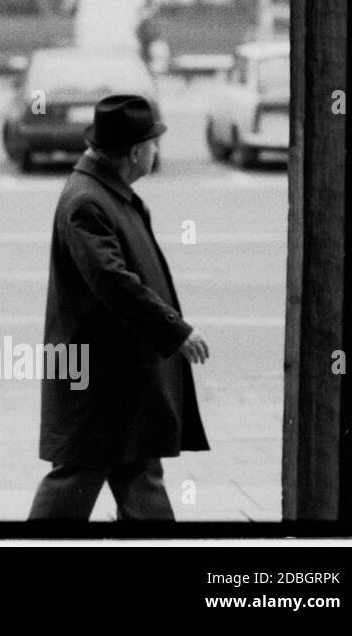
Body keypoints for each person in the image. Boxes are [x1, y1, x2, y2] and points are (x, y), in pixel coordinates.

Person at [29, 95, 210, 520]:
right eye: (153, 144)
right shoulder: (88, 202)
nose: (157, 152)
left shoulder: (108, 194)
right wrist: (176, 330)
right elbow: (112, 282)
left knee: (136, 474)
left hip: (121, 377)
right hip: (99, 380)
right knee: (76, 477)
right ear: (134, 152)